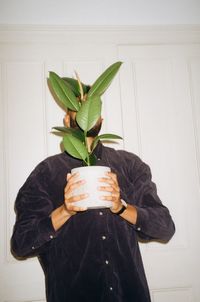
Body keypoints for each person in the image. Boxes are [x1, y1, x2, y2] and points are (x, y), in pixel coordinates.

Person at [11, 111, 175, 302]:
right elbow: (21, 244)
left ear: (101, 119)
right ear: (66, 119)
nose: (84, 106)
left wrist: (121, 207)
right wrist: (65, 210)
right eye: (76, 103)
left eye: (92, 103)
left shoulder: (129, 165)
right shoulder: (46, 172)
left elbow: (165, 228)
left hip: (129, 294)